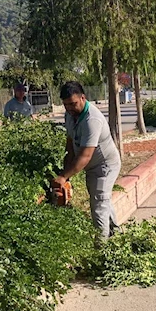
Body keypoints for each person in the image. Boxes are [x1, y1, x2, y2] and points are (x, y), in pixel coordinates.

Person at [53, 81, 122, 239]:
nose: (70, 108)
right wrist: (66, 175)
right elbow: (70, 146)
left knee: (98, 206)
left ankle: (102, 251)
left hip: (105, 166)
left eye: (73, 104)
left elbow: (85, 155)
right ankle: (116, 237)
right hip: (92, 168)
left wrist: (63, 177)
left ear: (83, 98)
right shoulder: (70, 115)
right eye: (66, 105)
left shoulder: (92, 120)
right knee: (102, 200)